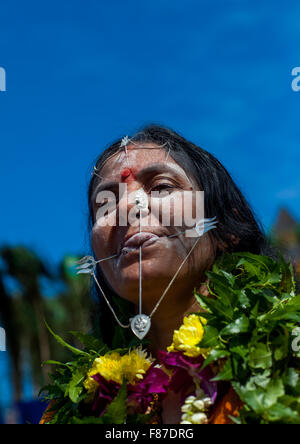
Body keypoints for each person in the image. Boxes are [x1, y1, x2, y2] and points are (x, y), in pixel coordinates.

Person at [87, 124, 271, 423]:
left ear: (226, 228)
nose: (126, 207)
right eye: (104, 204)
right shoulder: (80, 407)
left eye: (161, 187)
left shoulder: (287, 352)